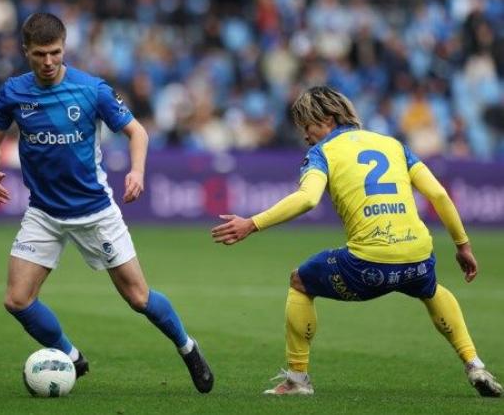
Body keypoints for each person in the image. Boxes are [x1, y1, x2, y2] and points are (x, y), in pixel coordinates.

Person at [211, 86, 502, 397]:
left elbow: (308, 199)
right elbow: (439, 194)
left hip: (368, 264)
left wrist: (252, 224)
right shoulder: (393, 145)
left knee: (300, 280)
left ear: (327, 119)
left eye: (307, 127)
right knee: (431, 290)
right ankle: (475, 365)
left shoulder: (322, 153)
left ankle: (297, 381)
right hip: (417, 257)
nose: (306, 136)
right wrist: (462, 246)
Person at [0, 12, 213, 393]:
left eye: (55, 52)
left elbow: (136, 132)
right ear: (26, 51)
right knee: (17, 299)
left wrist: (137, 172)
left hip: (95, 212)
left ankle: (187, 347)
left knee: (139, 298)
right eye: (39, 54)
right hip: (43, 213)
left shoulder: (92, 90)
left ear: (64, 48)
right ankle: (70, 357)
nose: (48, 61)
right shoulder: (13, 92)